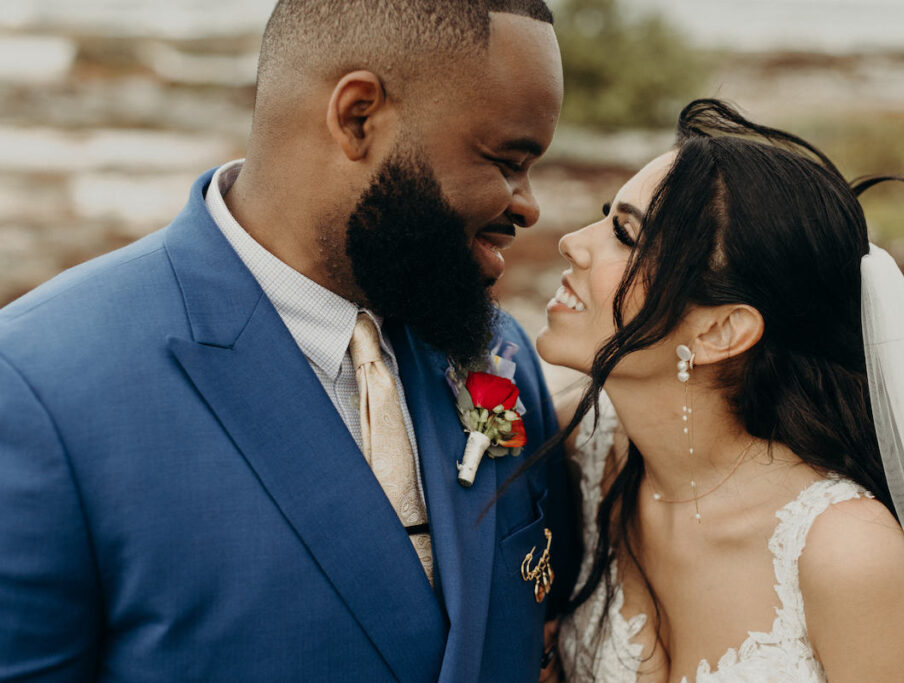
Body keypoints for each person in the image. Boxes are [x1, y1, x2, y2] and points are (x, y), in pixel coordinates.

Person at [0, 1, 579, 681]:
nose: (528, 205)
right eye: (508, 160)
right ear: (358, 116)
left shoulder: (499, 356)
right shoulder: (40, 386)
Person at [536, 100, 904, 682]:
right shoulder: (587, 455)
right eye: (604, 216)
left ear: (721, 330)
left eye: (625, 234)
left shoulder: (844, 554)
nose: (571, 242)